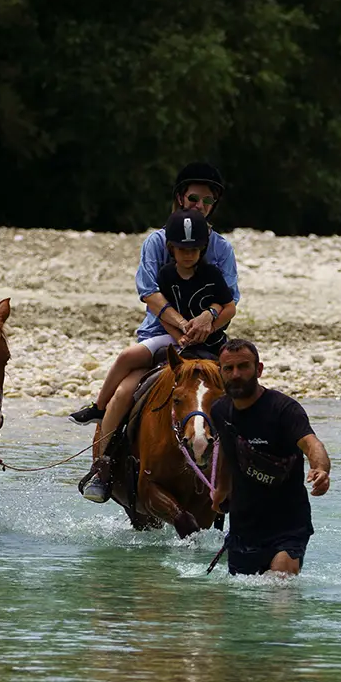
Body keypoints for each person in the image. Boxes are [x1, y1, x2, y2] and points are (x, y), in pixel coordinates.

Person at [79, 209, 235, 502]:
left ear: (202, 249)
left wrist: (209, 319)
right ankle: (102, 467)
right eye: (182, 249)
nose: (188, 255)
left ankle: (245, 467)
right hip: (167, 339)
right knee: (126, 389)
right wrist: (181, 335)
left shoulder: (214, 270)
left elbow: (230, 304)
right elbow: (156, 306)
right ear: (171, 248)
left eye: (194, 249)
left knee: (240, 386)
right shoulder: (163, 271)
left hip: (209, 342)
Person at [210, 339, 331, 576]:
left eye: (243, 367)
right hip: (243, 526)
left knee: (279, 590)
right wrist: (221, 490)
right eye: (228, 369)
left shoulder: (284, 409)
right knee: (240, 605)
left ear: (259, 369)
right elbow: (226, 449)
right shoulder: (219, 411)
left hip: (288, 526)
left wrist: (321, 469)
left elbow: (311, 442)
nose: (236, 375)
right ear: (220, 372)